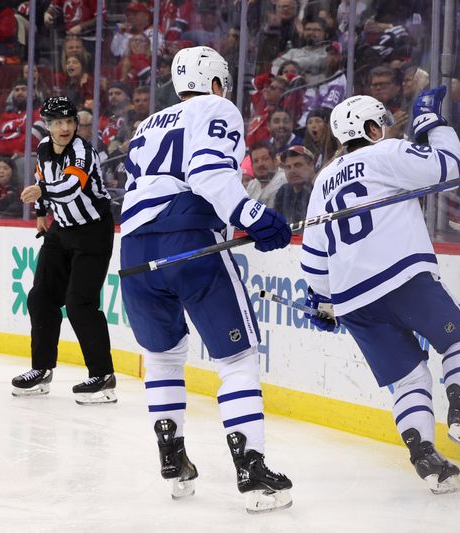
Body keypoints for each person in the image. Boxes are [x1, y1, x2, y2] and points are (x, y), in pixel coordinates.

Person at [299, 89, 460, 495]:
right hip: (402, 275)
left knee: (409, 380)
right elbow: (453, 168)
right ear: (372, 128)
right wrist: (430, 122)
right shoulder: (386, 152)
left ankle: (426, 457)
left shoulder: (323, 180)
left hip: (352, 301)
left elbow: (314, 253)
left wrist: (321, 301)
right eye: (383, 126)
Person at [119, 46, 293, 512]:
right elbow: (209, 173)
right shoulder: (217, 106)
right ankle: (252, 470)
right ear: (216, 81)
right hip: (187, 240)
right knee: (237, 357)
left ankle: (172, 458)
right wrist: (254, 215)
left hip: (133, 253)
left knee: (162, 357)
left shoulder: (146, 124)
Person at [10, 96, 116, 405]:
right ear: (48, 126)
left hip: (93, 231)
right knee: (41, 297)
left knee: (80, 303)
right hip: (61, 231)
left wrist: (42, 193)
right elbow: (43, 178)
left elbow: (72, 187)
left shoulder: (82, 151)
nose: (65, 127)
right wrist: (42, 213)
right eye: (58, 123)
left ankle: (103, 377)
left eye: (70, 121)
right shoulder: (44, 147)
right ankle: (41, 370)